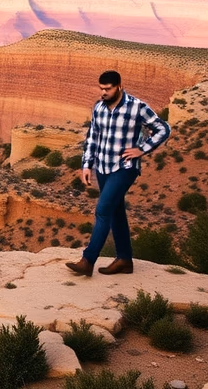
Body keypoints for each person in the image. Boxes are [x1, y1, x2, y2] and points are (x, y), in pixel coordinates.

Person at [65, 70, 171, 276]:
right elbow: (92, 137)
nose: (103, 92)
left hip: (125, 168)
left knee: (103, 210)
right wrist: (87, 165)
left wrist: (142, 149)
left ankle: (88, 261)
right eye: (101, 88)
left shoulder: (137, 107)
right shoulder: (99, 108)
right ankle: (124, 260)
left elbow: (163, 128)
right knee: (116, 212)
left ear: (119, 87)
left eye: (108, 89)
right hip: (102, 167)